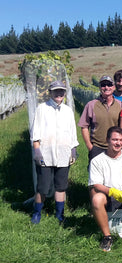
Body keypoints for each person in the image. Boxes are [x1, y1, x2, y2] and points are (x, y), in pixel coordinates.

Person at [30, 80, 79, 224]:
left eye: (61, 91)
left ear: (64, 93)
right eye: (56, 91)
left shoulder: (68, 111)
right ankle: (37, 212)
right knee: (43, 187)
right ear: (50, 93)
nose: (59, 94)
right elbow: (35, 132)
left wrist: (73, 149)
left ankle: (59, 214)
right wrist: (37, 150)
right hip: (45, 153)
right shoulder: (42, 109)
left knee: (61, 186)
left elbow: (72, 132)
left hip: (63, 153)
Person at [78, 75, 122, 162]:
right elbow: (84, 127)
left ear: (113, 87)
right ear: (99, 87)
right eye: (103, 85)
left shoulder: (121, 105)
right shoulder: (91, 105)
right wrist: (90, 147)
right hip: (97, 148)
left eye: (109, 85)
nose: (106, 87)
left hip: (115, 147)